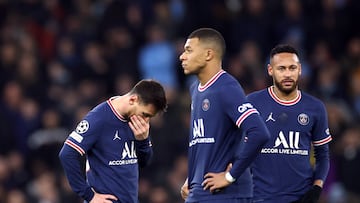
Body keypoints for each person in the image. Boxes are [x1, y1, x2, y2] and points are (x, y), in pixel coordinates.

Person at [179, 27, 270, 203]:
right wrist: (193, 177)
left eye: (189, 50)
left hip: (225, 194)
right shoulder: (196, 90)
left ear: (208, 54)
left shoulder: (225, 87)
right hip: (201, 191)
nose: (182, 56)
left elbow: (259, 132)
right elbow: (205, 141)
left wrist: (230, 176)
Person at [247, 44, 332, 203]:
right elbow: (233, 146)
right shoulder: (252, 103)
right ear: (270, 70)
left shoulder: (315, 107)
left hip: (300, 198)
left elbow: (322, 154)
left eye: (292, 68)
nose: (287, 74)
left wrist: (317, 187)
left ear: (299, 69)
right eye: (281, 68)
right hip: (260, 198)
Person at [59, 79, 167, 203]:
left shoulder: (137, 122)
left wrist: (143, 141)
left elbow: (144, 162)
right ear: (133, 100)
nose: (146, 120)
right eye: (145, 114)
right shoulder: (99, 118)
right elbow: (67, 154)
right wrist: (89, 195)